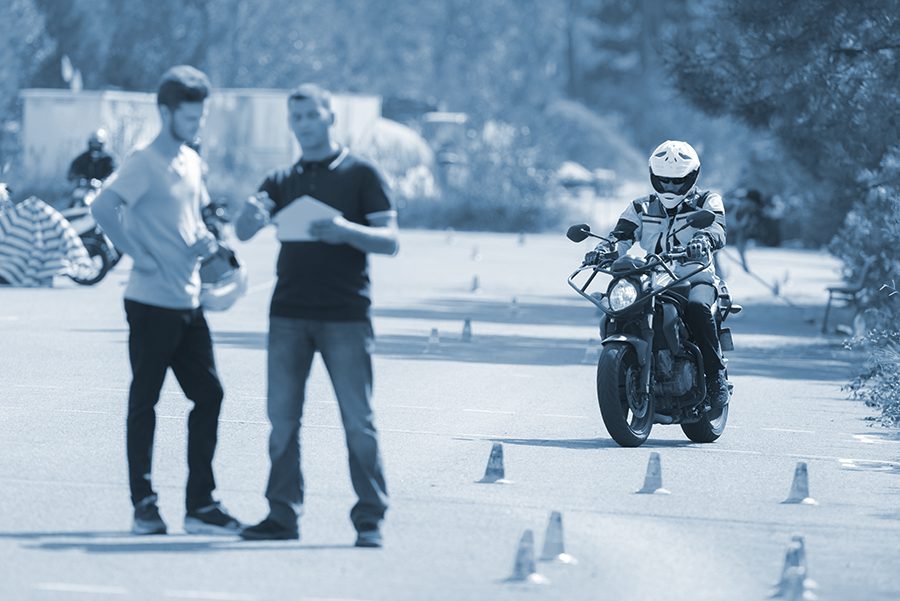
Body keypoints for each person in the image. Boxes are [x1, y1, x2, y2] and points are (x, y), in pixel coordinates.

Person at [235, 83, 398, 548]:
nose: (303, 124)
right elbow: (244, 232)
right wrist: (250, 214)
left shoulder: (361, 173)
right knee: (282, 421)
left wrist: (345, 230)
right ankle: (282, 515)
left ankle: (370, 518)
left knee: (358, 421)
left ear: (331, 117)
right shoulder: (280, 178)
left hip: (345, 315)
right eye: (296, 117)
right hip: (287, 314)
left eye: (311, 115)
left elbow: (390, 239)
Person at [90, 65, 241, 536]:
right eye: (189, 117)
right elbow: (101, 207)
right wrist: (138, 254)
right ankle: (145, 504)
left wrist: (203, 243)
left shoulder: (191, 161)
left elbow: (191, 220)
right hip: (149, 301)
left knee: (209, 395)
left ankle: (200, 506)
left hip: (188, 299)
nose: (196, 125)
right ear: (166, 111)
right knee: (146, 402)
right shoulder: (144, 161)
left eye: (200, 117)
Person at [601, 140, 730, 409]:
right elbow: (621, 235)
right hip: (653, 276)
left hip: (695, 274)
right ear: (653, 177)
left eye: (677, 181)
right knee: (617, 306)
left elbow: (718, 229)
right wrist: (604, 249)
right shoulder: (641, 207)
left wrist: (703, 240)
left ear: (692, 177)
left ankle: (716, 377)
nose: (670, 187)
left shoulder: (708, 200)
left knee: (697, 307)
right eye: (664, 180)